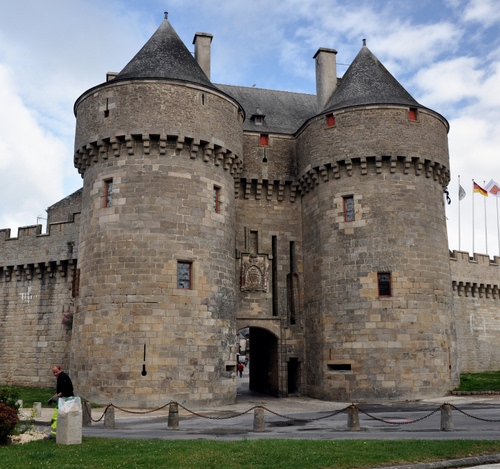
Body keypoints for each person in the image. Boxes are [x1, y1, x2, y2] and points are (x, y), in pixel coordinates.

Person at [48, 365, 74, 438]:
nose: (55, 374)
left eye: (56, 372)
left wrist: (55, 397)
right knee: (63, 417)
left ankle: (54, 434)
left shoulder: (62, 377)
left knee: (56, 417)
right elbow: (60, 391)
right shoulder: (63, 376)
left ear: (60, 370)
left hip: (65, 400)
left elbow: (65, 390)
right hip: (65, 400)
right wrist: (53, 397)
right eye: (54, 372)